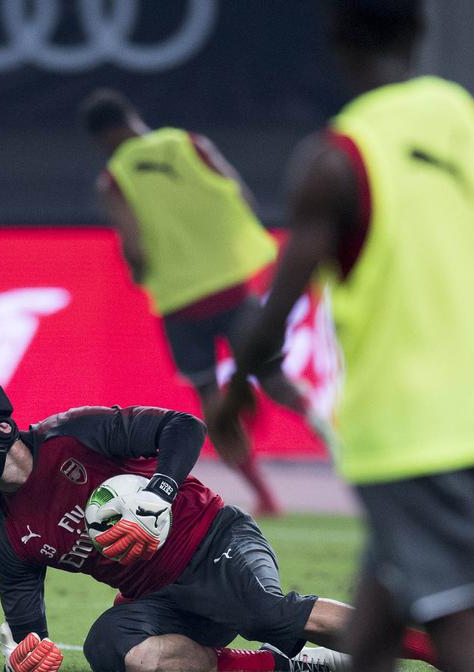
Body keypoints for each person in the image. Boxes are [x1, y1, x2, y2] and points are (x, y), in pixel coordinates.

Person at [212, 1, 474, 672]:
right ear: (418, 33)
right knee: (374, 634)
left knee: (461, 631)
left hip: (411, 433)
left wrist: (229, 397)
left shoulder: (336, 160)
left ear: (337, 43)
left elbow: (269, 321)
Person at [0, 379, 442, 672]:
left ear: (0, 429)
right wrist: (26, 654)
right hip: (157, 599)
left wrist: (160, 493)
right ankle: (286, 664)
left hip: (217, 541)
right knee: (110, 650)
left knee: (265, 613)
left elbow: (184, 427)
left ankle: (437, 649)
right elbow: (31, 637)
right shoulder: (8, 536)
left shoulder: (75, 434)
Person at [81, 89, 331, 518]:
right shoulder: (190, 144)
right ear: (133, 116)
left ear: (102, 137)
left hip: (180, 302)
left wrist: (142, 274)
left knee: (210, 397)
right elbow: (239, 196)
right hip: (231, 288)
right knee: (275, 378)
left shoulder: (113, 180)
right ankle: (341, 450)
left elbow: (136, 249)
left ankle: (266, 497)